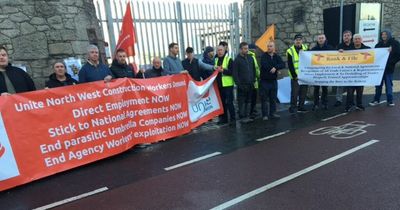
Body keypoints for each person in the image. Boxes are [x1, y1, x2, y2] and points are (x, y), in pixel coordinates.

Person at [370, 30, 400, 107]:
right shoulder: (378, 44)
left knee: (389, 85)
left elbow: (398, 55)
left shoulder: (395, 43)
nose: (384, 36)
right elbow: (375, 54)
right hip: (379, 69)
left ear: (389, 35)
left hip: (389, 68)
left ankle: (390, 100)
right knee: (378, 85)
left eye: (385, 34)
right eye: (382, 34)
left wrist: (391, 62)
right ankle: (376, 99)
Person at [260, 41, 285, 120]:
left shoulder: (276, 56)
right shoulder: (264, 56)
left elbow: (283, 64)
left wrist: (276, 68)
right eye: (268, 46)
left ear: (274, 47)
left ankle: (272, 113)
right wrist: (274, 68)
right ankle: (265, 115)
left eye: (271, 46)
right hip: (265, 81)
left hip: (273, 81)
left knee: (273, 98)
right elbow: (265, 65)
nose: (269, 48)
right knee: (264, 99)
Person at [345, 34, 370, 112]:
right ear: (353, 40)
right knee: (349, 92)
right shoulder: (349, 49)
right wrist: (340, 51)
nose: (357, 40)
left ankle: (359, 105)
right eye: (355, 39)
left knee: (359, 91)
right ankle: (348, 106)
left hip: (360, 74)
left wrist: (387, 50)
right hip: (351, 74)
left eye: (358, 39)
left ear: (361, 40)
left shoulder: (366, 49)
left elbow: (376, 52)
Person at [233, 42, 256, 123]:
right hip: (242, 86)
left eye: (247, 48)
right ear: (240, 49)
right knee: (242, 102)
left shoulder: (250, 58)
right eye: (245, 49)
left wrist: (253, 80)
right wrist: (239, 85)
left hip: (250, 84)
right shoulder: (237, 60)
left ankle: (248, 116)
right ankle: (242, 117)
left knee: (248, 101)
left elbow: (253, 70)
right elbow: (235, 75)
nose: (247, 50)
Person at [311, 34, 335, 110]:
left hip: (326, 72)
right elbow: (307, 56)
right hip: (317, 72)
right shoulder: (313, 49)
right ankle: (316, 104)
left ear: (325, 39)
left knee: (325, 89)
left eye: (322, 38)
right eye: (319, 38)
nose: (321, 39)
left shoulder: (330, 48)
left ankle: (325, 103)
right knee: (316, 89)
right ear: (317, 40)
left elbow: (335, 56)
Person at [287, 34, 308, 113]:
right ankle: (293, 107)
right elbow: (290, 65)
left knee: (303, 92)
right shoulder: (290, 51)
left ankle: (301, 106)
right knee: (294, 93)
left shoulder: (306, 48)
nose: (298, 41)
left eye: (300, 40)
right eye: (297, 40)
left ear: (302, 41)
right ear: (294, 41)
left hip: (305, 75)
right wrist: (294, 75)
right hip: (295, 76)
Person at [215, 45, 235, 125]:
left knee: (229, 102)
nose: (219, 52)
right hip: (220, 85)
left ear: (224, 50)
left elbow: (232, 72)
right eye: (218, 50)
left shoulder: (229, 59)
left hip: (228, 85)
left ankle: (233, 119)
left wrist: (223, 71)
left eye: (221, 50)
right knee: (222, 103)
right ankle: (224, 119)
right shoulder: (216, 60)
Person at [336, 30, 354, 107]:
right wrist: (337, 51)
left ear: (351, 36)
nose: (346, 37)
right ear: (343, 37)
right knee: (339, 86)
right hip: (341, 69)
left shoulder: (354, 45)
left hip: (351, 69)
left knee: (351, 86)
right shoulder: (339, 46)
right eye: (345, 36)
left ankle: (351, 100)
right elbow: (332, 55)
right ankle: (338, 100)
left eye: (348, 35)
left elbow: (366, 49)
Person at [248, 43, 260, 118]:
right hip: (253, 81)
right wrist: (259, 76)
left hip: (251, 81)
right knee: (252, 97)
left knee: (251, 97)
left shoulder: (249, 56)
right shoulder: (252, 56)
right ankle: (251, 112)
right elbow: (256, 68)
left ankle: (252, 111)